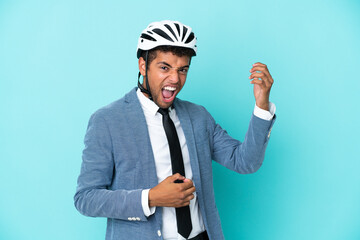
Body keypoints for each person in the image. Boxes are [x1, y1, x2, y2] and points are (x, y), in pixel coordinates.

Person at [74, 20, 276, 240]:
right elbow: (86, 198)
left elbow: (244, 161)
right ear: (143, 65)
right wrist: (150, 197)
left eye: (183, 70)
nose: (175, 79)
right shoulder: (107, 121)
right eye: (164, 67)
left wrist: (262, 106)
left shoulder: (198, 116)